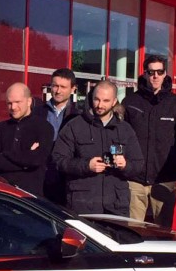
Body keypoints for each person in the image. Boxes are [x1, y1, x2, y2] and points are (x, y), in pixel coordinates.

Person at [52, 80, 143, 216]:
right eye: (97, 100)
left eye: (106, 101)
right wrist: (86, 165)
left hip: (116, 207)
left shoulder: (124, 129)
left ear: (114, 102)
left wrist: (125, 165)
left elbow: (138, 164)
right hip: (82, 205)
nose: (100, 105)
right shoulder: (75, 126)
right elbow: (57, 160)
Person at [121, 55, 176, 228]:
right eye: (151, 72)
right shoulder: (130, 102)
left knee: (163, 229)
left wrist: (172, 160)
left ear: (165, 74)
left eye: (160, 72)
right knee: (132, 229)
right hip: (135, 177)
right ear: (145, 74)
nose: (155, 76)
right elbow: (121, 135)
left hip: (164, 177)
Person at [0, 82, 54, 196]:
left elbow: (36, 160)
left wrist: (6, 154)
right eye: (9, 103)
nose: (13, 107)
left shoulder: (44, 128)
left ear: (29, 101)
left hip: (30, 199)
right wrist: (25, 162)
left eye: (17, 102)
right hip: (2, 195)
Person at [34, 68, 82, 204]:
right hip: (41, 173)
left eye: (63, 87)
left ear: (73, 89)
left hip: (65, 175)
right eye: (55, 86)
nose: (58, 90)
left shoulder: (78, 116)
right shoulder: (37, 113)